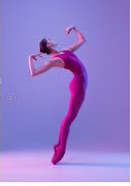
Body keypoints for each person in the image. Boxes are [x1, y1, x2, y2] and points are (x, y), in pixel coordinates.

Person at [27, 26, 87, 165]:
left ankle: (59, 148)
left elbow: (82, 40)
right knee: (69, 119)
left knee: (69, 118)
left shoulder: (65, 51)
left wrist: (74, 28)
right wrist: (29, 58)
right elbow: (34, 73)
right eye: (49, 40)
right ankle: (59, 152)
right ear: (47, 45)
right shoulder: (53, 60)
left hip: (80, 83)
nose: (52, 39)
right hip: (78, 85)